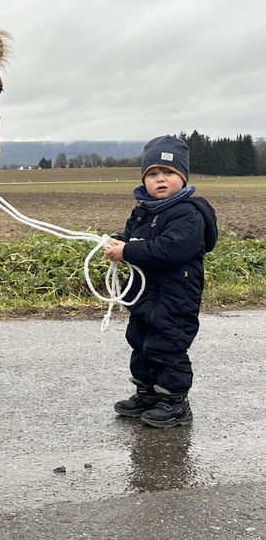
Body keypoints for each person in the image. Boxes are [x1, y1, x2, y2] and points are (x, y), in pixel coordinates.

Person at [104, 135, 217, 428]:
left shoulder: (188, 214)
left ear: (182, 176)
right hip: (144, 295)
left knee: (168, 346)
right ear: (144, 179)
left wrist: (128, 250)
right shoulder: (143, 211)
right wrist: (121, 241)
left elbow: (170, 250)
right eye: (153, 174)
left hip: (175, 297)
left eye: (168, 173)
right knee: (140, 341)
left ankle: (175, 402)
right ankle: (147, 393)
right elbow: (135, 239)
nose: (160, 179)